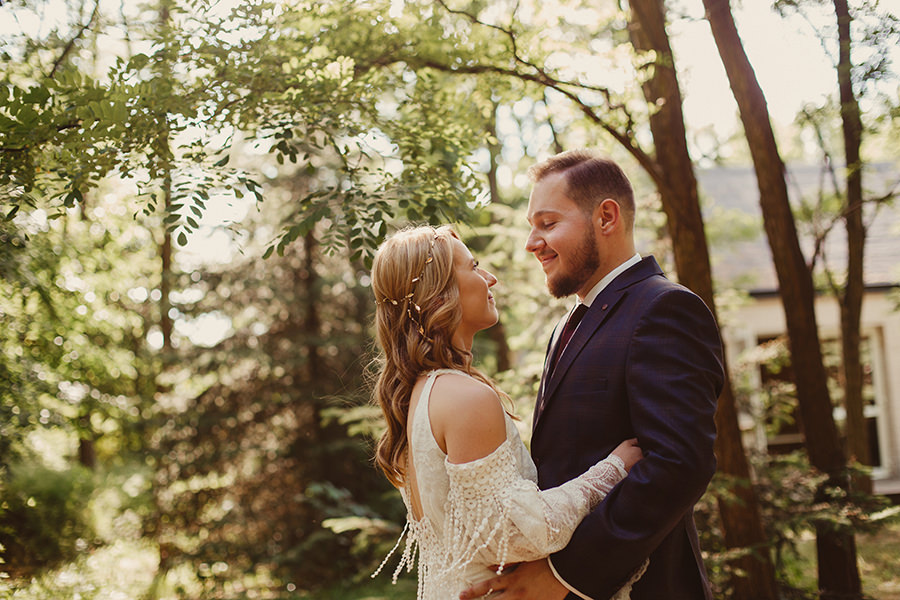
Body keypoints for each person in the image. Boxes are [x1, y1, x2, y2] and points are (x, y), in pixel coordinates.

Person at [461, 150, 725, 600]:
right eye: (531, 226)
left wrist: (563, 576)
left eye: (547, 224)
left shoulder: (664, 308)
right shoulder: (567, 325)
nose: (531, 243)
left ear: (606, 217)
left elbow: (679, 464)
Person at [369, 225, 645, 600]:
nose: (490, 278)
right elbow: (514, 536)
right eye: (474, 267)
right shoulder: (465, 397)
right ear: (438, 295)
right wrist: (612, 470)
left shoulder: (417, 396)